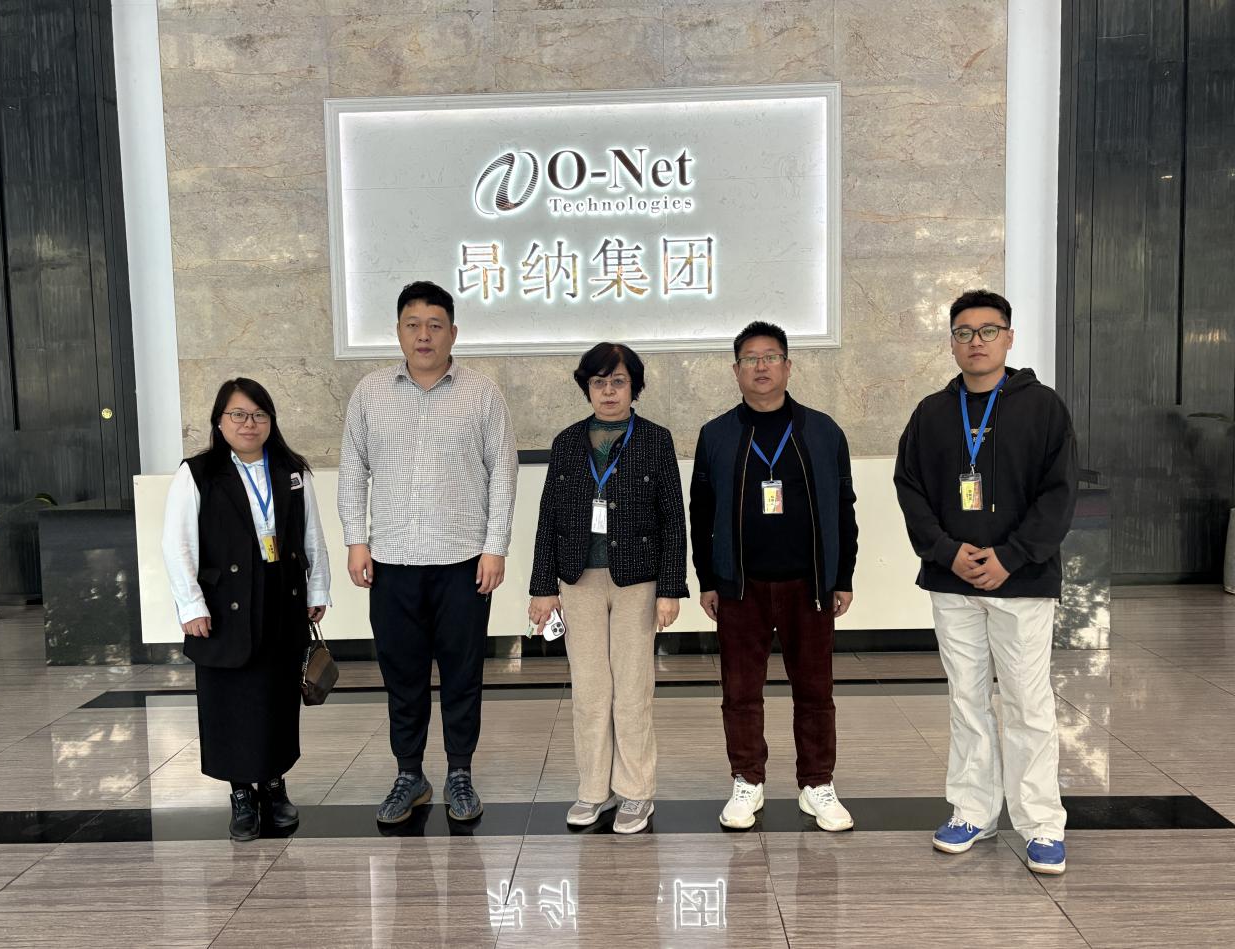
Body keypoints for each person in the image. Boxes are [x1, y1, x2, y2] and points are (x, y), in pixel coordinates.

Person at [893, 289, 1077, 875]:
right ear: (951, 342)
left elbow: (1059, 494)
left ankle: (1041, 822)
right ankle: (973, 810)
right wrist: (948, 553)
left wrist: (1011, 556)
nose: (976, 342)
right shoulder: (931, 413)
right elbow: (910, 488)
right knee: (967, 699)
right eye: (964, 332)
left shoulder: (1043, 408)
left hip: (1022, 581)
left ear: (1009, 338)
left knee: (1027, 700)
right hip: (952, 583)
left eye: (988, 330)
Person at [339, 280, 517, 825]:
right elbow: (353, 469)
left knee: (463, 674)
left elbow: (503, 472)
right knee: (403, 676)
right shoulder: (370, 393)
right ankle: (409, 774)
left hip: (463, 563)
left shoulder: (482, 393)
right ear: (398, 331)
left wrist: (495, 548)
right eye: (413, 325)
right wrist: (356, 539)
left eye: (435, 325)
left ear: (453, 333)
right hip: (391, 563)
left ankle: (460, 773)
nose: (424, 335)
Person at [689, 321, 858, 832]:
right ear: (735, 370)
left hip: (809, 586)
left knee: (815, 691)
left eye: (770, 357)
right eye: (749, 359)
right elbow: (701, 513)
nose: (760, 367)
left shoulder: (822, 430)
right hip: (741, 586)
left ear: (788, 366)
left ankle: (817, 784)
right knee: (740, 692)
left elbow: (844, 507)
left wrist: (842, 576)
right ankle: (747, 780)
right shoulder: (717, 434)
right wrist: (708, 580)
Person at [528, 343, 689, 834]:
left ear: (633, 386)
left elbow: (673, 519)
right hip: (578, 581)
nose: (609, 391)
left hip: (638, 581)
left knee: (633, 689)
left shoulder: (655, 440)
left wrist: (670, 588)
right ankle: (594, 789)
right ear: (587, 387)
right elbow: (548, 518)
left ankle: (636, 792)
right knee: (590, 690)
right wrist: (542, 587)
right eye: (599, 382)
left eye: (618, 381)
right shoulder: (567, 442)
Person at [162, 378, 330, 842]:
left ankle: (274, 787)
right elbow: (177, 545)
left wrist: (317, 588)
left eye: (258, 414)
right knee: (230, 700)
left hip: (281, 597)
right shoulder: (197, 473)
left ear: (270, 421)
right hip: (223, 605)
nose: (248, 423)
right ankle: (241, 794)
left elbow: (312, 535)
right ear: (219, 421)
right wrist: (191, 605)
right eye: (237, 414)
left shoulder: (293, 471)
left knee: (276, 696)